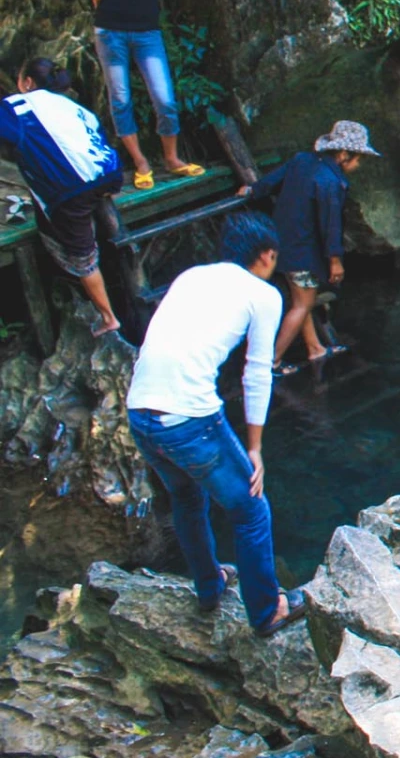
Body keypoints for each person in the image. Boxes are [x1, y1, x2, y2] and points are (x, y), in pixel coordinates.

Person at [125, 211, 305, 637]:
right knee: (251, 511)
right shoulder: (263, 295)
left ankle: (210, 586)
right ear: (266, 255)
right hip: (189, 419)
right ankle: (266, 611)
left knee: (186, 499)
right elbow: (257, 371)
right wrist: (256, 449)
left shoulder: (192, 277)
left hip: (141, 412)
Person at [54, 0, 273, 190]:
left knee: (165, 99)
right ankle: (141, 162)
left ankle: (171, 158)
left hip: (147, 32)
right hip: (110, 30)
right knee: (120, 99)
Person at [237, 120, 378, 374]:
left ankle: (315, 348)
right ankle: (270, 363)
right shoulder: (330, 182)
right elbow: (330, 225)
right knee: (302, 305)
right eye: (359, 158)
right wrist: (335, 261)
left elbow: (269, 183)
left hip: (281, 244)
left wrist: (251, 190)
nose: (359, 164)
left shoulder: (302, 160)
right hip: (302, 253)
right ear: (344, 155)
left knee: (303, 299)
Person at [0, 58, 125, 335]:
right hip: (110, 175)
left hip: (73, 189)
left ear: (28, 83)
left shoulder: (19, 107)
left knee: (83, 257)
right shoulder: (73, 107)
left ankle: (108, 317)